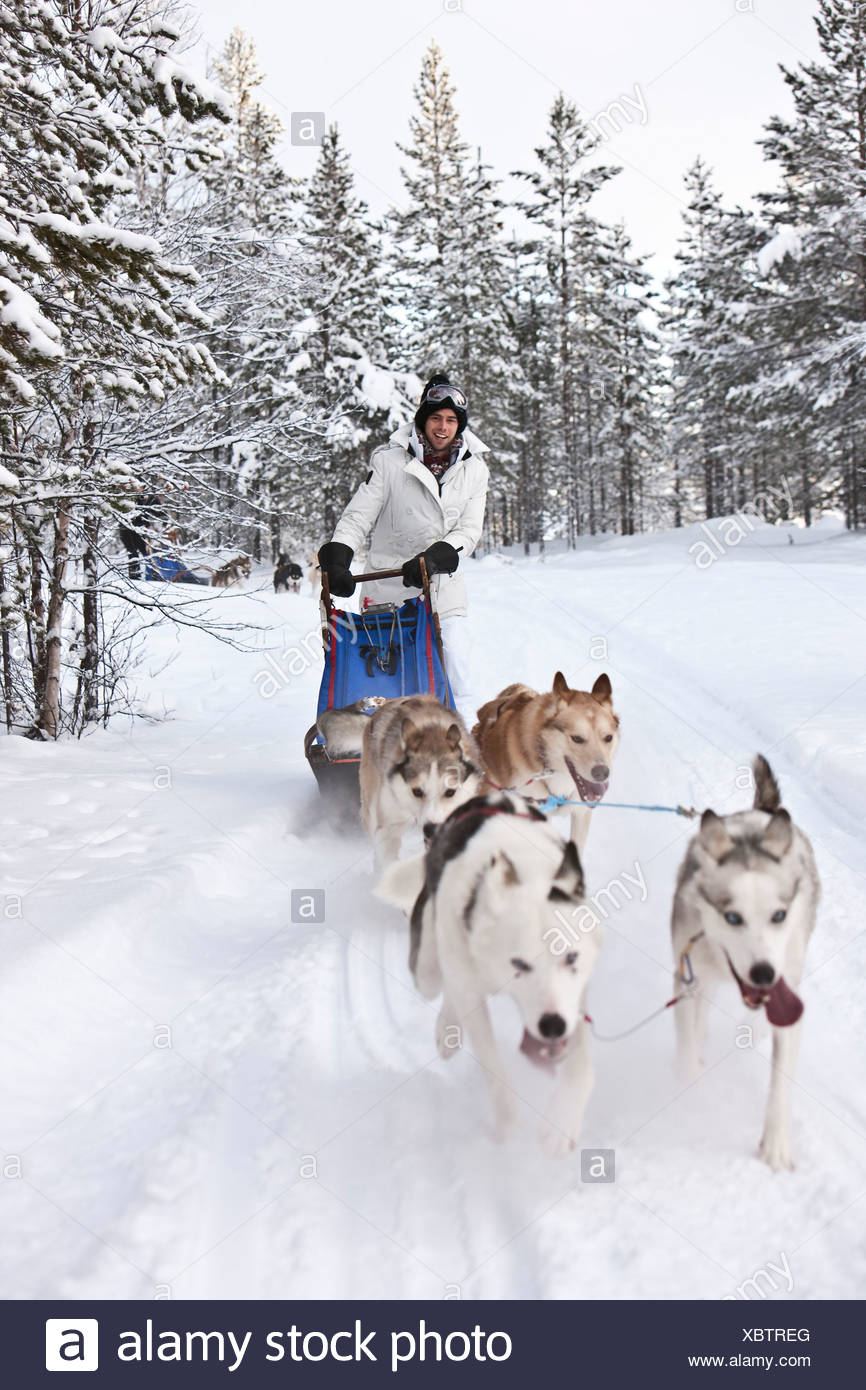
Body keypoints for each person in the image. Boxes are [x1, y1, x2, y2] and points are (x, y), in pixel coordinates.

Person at [317, 373, 489, 724]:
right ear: (423, 420)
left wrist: (440, 554)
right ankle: (376, 747)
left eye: (451, 420)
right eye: (436, 418)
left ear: (460, 426)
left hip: (443, 588)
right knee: (386, 674)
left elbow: (469, 529)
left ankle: (465, 746)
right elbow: (357, 518)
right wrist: (339, 558)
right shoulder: (389, 463)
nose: (443, 427)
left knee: (454, 661)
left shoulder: (475, 470)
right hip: (388, 586)